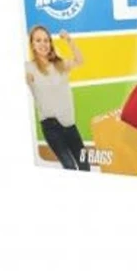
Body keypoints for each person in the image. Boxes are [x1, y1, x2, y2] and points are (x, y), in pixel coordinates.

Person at [25, 25, 90, 171]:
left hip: (69, 124)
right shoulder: (29, 68)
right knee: (69, 166)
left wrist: (69, 40)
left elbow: (80, 60)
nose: (43, 44)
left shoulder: (60, 64)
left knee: (85, 165)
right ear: (32, 45)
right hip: (51, 126)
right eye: (38, 40)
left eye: (46, 40)